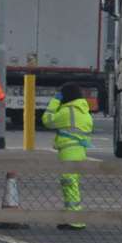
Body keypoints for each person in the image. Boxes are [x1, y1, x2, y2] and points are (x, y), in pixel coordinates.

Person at [41, 81, 93, 230]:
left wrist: (55, 101)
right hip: (79, 151)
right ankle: (70, 217)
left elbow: (47, 120)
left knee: (69, 184)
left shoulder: (68, 111)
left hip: (69, 151)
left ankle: (76, 220)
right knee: (71, 184)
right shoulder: (83, 110)